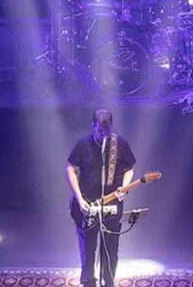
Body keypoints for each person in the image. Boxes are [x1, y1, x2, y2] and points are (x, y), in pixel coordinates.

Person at [66, 109, 136, 287]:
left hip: (112, 204)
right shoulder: (83, 144)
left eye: (107, 130)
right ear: (93, 126)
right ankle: (88, 281)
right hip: (87, 204)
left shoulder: (119, 143)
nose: (104, 135)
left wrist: (124, 187)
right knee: (88, 248)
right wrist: (79, 199)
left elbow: (129, 168)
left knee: (111, 248)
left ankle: (109, 281)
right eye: (100, 131)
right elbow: (70, 168)